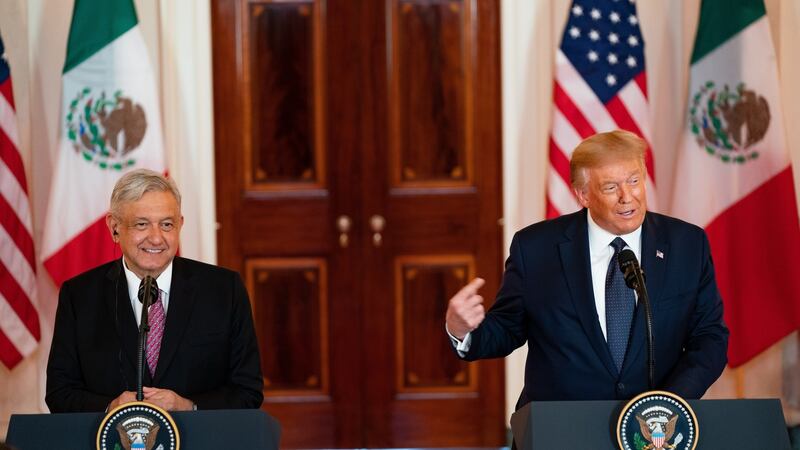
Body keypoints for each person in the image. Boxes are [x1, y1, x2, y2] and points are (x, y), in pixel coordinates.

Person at [446, 130, 728, 407]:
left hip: (650, 430)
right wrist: (462, 330)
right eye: (610, 187)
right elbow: (507, 329)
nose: (627, 196)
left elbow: (709, 337)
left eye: (634, 180)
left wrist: (669, 404)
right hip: (561, 428)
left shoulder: (686, 244)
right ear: (583, 195)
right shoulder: (536, 248)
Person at [46, 169, 264, 413]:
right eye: (142, 224)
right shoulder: (79, 296)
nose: (157, 238)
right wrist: (111, 406)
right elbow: (59, 393)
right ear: (114, 227)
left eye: (167, 224)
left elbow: (248, 391)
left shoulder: (224, 290)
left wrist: (189, 406)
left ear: (180, 225)